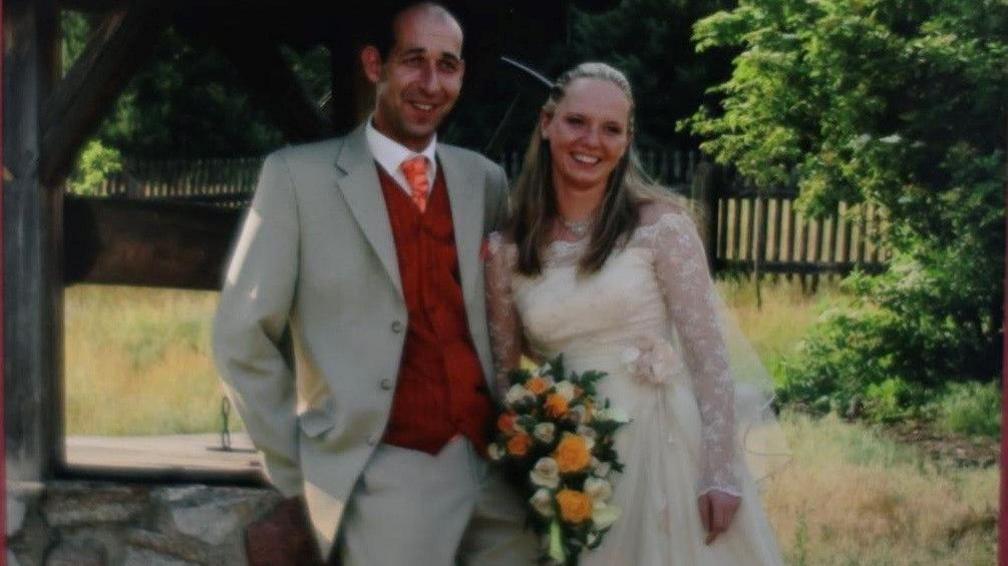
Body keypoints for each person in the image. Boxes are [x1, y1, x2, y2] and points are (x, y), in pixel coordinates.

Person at [213, 3, 536, 564]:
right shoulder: (296, 178)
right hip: (385, 471)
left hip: (497, 468)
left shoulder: (483, 180)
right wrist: (299, 468)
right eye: (414, 61)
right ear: (373, 65)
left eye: (448, 65)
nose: (431, 84)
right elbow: (239, 336)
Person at [485, 62, 785, 565]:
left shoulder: (661, 226)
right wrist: (534, 458)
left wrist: (720, 471)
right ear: (546, 123)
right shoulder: (507, 252)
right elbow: (506, 380)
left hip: (663, 451)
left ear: (626, 141)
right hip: (567, 466)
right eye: (577, 121)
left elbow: (711, 358)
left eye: (611, 129)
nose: (591, 141)